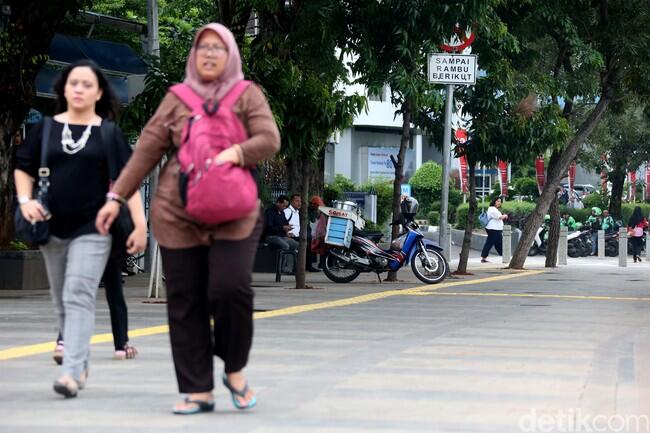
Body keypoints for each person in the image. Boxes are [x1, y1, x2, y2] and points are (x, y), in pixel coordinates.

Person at [95, 23, 280, 414]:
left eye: (217, 48)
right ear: (193, 56)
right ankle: (198, 389)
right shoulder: (177, 98)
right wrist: (116, 198)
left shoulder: (247, 94)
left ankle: (234, 367)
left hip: (234, 210)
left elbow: (269, 139)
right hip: (177, 212)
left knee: (230, 289)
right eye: (202, 48)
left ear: (231, 54)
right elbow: (146, 150)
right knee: (185, 300)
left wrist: (235, 154)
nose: (209, 54)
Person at [14, 59, 147, 398]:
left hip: (94, 226)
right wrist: (25, 200)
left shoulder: (108, 133)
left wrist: (140, 224)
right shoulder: (45, 128)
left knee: (79, 294)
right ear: (63, 88)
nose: (79, 89)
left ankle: (72, 372)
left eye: (87, 84)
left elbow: (127, 179)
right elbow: (23, 167)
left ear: (99, 92)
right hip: (50, 225)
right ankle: (79, 358)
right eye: (74, 83)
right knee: (61, 298)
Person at [480, 197, 508, 263]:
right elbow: (500, 217)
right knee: (490, 243)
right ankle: (484, 257)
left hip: (496, 229)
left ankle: (505, 256)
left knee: (498, 243)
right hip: (493, 229)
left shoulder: (494, 209)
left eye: (500, 202)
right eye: (498, 201)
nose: (499, 203)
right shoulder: (492, 209)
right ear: (494, 201)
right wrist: (505, 215)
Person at [307, 196, 324, 271]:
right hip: (306, 231)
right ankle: (309, 265)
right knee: (311, 242)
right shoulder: (307, 211)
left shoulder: (313, 211)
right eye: (317, 205)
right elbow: (312, 222)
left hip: (311, 231)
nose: (317, 207)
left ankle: (321, 263)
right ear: (313, 204)